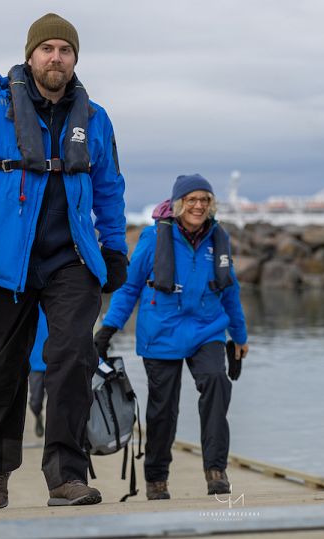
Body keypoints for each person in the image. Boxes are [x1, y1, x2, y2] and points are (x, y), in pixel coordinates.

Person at [0, 13, 128, 509]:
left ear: (75, 59)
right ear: (31, 55)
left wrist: (114, 248)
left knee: (72, 359)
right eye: (48, 49)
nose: (56, 57)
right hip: (5, 266)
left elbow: (109, 188)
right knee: (5, 370)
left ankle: (65, 475)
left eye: (66, 50)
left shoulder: (97, 119)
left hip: (72, 261)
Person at [95, 174, 249, 501]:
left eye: (204, 200)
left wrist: (238, 337)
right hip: (161, 331)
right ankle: (156, 477)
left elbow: (230, 290)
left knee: (216, 382)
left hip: (207, 328)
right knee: (163, 408)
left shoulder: (218, 238)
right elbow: (130, 288)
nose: (198, 206)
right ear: (179, 203)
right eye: (192, 200)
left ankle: (216, 470)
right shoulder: (153, 239)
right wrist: (108, 329)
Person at [28, 309, 49, 438]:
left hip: (56, 360)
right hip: (35, 361)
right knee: (35, 401)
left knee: (57, 401)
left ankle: (54, 432)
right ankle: (38, 416)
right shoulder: (30, 299)